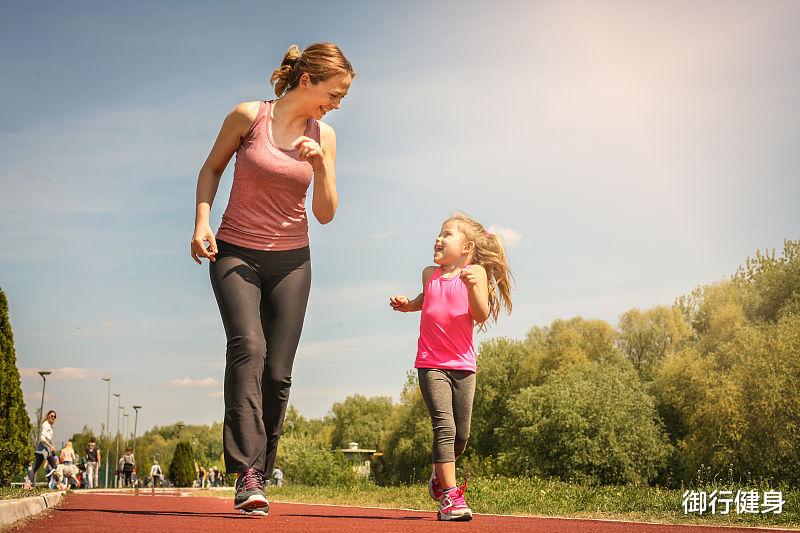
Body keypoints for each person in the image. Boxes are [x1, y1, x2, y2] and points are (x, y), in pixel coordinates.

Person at [190, 42, 354, 516]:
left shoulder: (325, 135)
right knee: (249, 348)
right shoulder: (248, 116)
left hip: (292, 262)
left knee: (278, 375)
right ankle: (245, 473)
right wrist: (202, 223)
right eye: (335, 93)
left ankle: (261, 468)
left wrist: (321, 166)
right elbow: (211, 168)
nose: (337, 103)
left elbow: (325, 214)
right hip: (235, 252)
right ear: (308, 81)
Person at [389, 212, 513, 522]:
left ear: (467, 247)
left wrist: (472, 287)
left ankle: (438, 475)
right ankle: (450, 496)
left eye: (447, 234)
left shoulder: (476, 273)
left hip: (464, 366)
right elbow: (426, 297)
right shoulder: (429, 273)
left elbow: (481, 314)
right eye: (439, 233)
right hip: (431, 364)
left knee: (462, 435)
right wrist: (408, 305)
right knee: (444, 428)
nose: (438, 238)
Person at [25, 410, 58, 488]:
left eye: (54, 417)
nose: (53, 418)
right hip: (43, 449)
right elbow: (42, 438)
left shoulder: (49, 426)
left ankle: (27, 483)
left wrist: (51, 445)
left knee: (35, 468)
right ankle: (52, 472)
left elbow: (47, 438)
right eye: (51, 416)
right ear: (48, 416)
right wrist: (50, 446)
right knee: (54, 465)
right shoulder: (45, 425)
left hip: (43, 448)